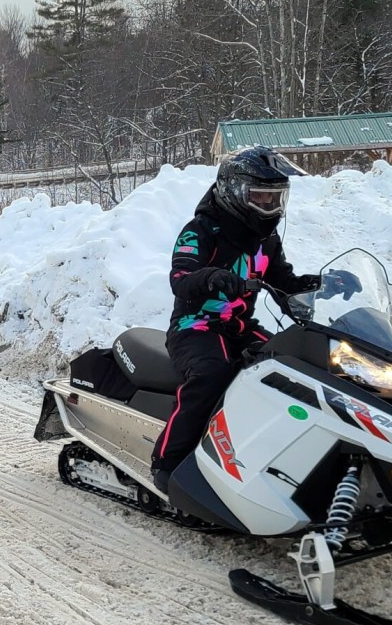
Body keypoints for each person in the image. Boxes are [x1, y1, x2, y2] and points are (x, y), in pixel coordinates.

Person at [149, 145, 359, 494]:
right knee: (212, 375)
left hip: (240, 327)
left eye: (275, 198)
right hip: (196, 326)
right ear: (234, 192)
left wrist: (323, 285)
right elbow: (180, 279)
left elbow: (284, 283)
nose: (269, 205)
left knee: (298, 365)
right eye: (260, 197)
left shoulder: (266, 239)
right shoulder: (200, 231)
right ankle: (168, 462)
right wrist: (211, 277)